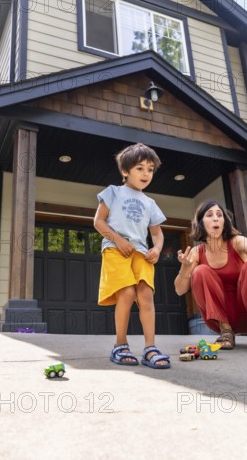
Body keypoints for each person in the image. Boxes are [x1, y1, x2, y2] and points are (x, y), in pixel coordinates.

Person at [94, 143, 170, 368]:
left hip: (141, 253)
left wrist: (156, 249)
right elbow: (98, 221)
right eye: (140, 168)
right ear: (125, 171)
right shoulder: (113, 192)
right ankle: (120, 345)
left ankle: (150, 348)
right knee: (126, 292)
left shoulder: (150, 203)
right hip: (115, 248)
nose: (146, 173)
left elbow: (157, 234)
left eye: (150, 169)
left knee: (146, 294)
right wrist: (118, 239)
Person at [174, 200, 247, 352]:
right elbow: (179, 290)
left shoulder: (235, 242)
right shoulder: (196, 253)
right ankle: (226, 332)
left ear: (224, 222)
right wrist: (186, 268)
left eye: (219, 215)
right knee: (200, 271)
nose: (216, 218)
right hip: (219, 318)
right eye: (210, 215)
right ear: (201, 223)